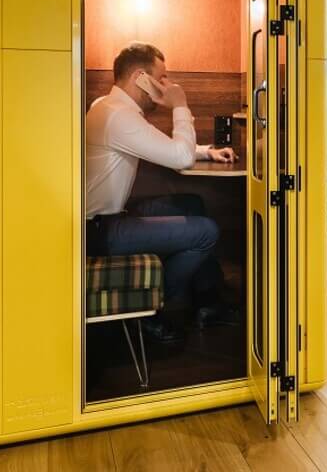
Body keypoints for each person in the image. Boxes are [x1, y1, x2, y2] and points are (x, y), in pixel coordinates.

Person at [86, 43, 238, 344]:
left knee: (191, 203)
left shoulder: (107, 106)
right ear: (141, 77)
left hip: (106, 219)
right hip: (99, 230)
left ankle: (208, 302)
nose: (166, 85)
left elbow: (156, 145)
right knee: (206, 232)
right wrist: (180, 105)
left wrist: (206, 151)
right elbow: (179, 158)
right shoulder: (119, 116)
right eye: (162, 77)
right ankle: (152, 307)